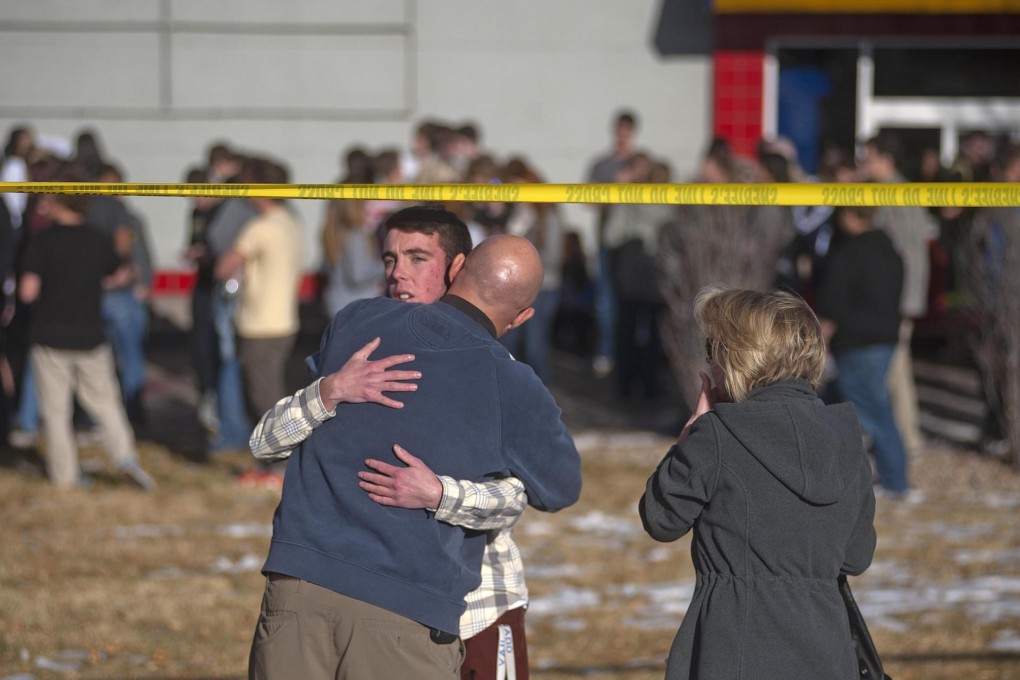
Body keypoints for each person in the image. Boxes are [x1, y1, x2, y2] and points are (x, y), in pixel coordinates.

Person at [247, 232, 582, 680]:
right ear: (522, 317)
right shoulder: (512, 384)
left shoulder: (356, 320)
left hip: (297, 585)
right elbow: (560, 487)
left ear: (456, 271)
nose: (398, 272)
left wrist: (330, 392)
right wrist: (445, 494)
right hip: (404, 608)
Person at [640, 286, 876, 680]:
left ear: (737, 357)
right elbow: (856, 556)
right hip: (827, 650)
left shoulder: (717, 436)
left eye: (712, 348)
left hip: (732, 646)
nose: (708, 360)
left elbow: (661, 518)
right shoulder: (845, 438)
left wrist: (690, 437)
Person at [17, 172, 155, 490]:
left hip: (50, 338)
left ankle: (64, 476)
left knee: (55, 411)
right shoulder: (97, 239)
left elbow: (27, 291)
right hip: (90, 337)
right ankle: (125, 458)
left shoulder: (43, 241)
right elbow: (116, 275)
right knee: (106, 402)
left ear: (59, 201)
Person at [215, 158, 303, 483]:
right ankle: (277, 461)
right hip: (284, 321)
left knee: (264, 398)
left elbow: (223, 268)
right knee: (273, 393)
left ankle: (279, 464)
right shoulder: (291, 222)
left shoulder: (259, 227)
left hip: (260, 324)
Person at [815, 206, 910, 497]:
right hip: (885, 339)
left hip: (856, 344)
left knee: (873, 413)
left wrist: (820, 340)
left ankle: (896, 481)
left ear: (849, 215)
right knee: (848, 408)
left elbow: (833, 304)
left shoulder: (848, 254)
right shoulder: (891, 252)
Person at [858, 132, 937, 457]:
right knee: (889, 369)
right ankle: (898, 436)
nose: (864, 163)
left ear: (885, 159)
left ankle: (906, 438)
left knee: (893, 369)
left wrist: (903, 301)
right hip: (887, 300)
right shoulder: (882, 191)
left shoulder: (899, 194)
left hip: (894, 301)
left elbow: (912, 254)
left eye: (869, 156)